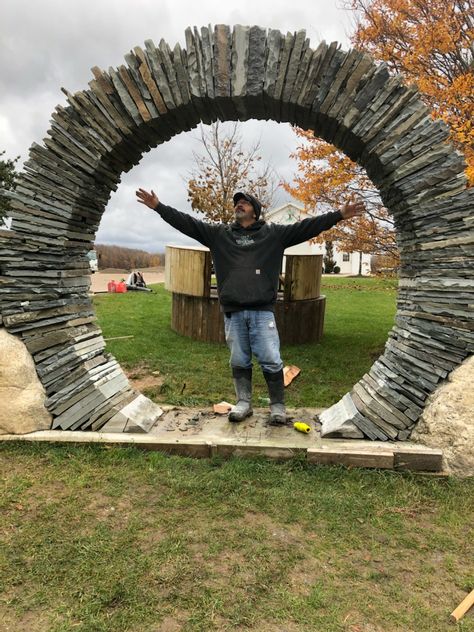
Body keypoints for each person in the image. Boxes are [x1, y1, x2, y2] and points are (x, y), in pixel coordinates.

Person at [136, 188, 365, 425]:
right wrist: (158, 207)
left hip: (261, 311)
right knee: (238, 359)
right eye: (237, 203)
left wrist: (339, 214)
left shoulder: (274, 235)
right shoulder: (219, 234)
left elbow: (308, 226)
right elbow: (187, 223)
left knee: (270, 358)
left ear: (255, 211)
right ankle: (243, 403)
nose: (239, 205)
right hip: (233, 313)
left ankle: (277, 406)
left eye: (244, 203)